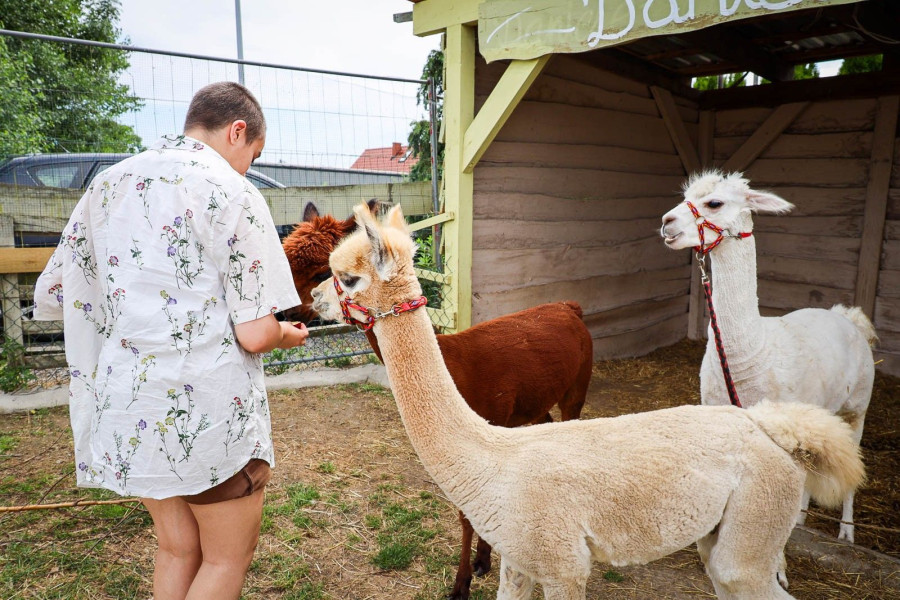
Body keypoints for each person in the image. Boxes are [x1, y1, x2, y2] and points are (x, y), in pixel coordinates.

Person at [34, 81, 309, 600]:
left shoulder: (108, 184)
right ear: (238, 131)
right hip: (206, 415)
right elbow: (254, 333)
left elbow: (55, 292)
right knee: (227, 558)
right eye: (254, 153)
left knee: (177, 549)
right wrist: (286, 337)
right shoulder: (232, 190)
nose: (249, 164)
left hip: (128, 408)